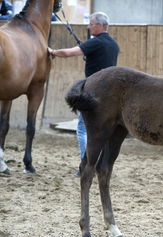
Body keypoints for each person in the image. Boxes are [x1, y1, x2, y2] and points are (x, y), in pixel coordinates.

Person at [48, 12, 119, 176]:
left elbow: (69, 53)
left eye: (91, 23)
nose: (88, 26)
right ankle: (101, 166)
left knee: (82, 128)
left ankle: (86, 165)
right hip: (109, 95)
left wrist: (52, 51)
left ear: (100, 26)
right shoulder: (114, 45)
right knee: (103, 132)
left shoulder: (96, 43)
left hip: (93, 93)